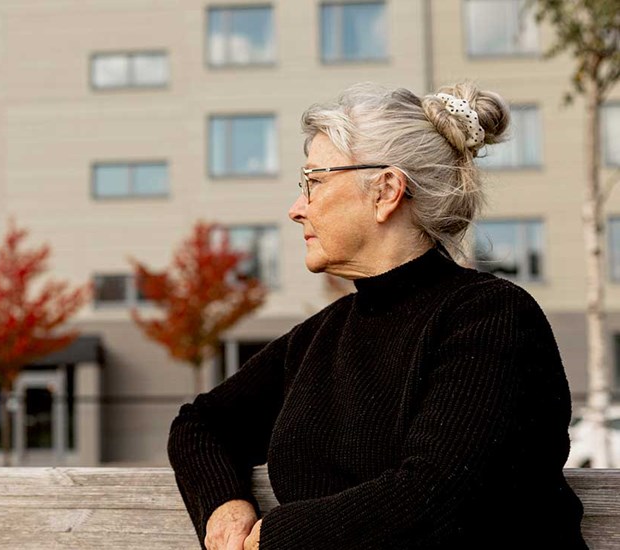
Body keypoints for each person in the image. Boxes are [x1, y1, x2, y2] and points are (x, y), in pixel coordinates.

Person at [167, 82, 588, 549]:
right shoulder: (322, 336)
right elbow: (200, 425)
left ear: (386, 190)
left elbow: (435, 496)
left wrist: (277, 538)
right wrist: (226, 508)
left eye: (315, 181)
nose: (296, 209)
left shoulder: (490, 317)